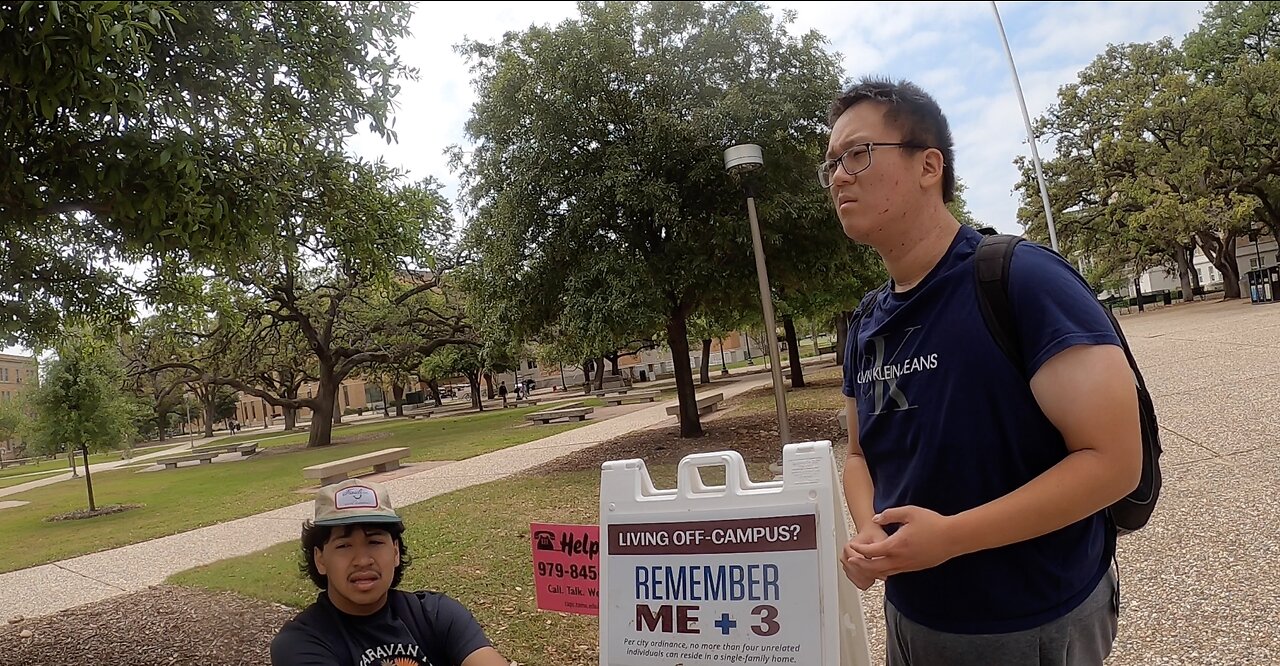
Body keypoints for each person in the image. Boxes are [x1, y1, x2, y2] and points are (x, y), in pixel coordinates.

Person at [823, 77, 1142, 665]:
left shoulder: (1023, 281)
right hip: (911, 617)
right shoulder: (865, 321)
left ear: (929, 166)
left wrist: (950, 539)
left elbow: (1116, 461)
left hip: (1031, 620)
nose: (839, 175)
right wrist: (873, 534)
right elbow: (861, 456)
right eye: (832, 163)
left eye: (858, 153)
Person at [270, 479, 508, 666]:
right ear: (320, 559)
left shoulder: (435, 614)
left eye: (374, 542)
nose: (363, 560)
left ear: (395, 552)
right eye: (344, 546)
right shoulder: (300, 643)